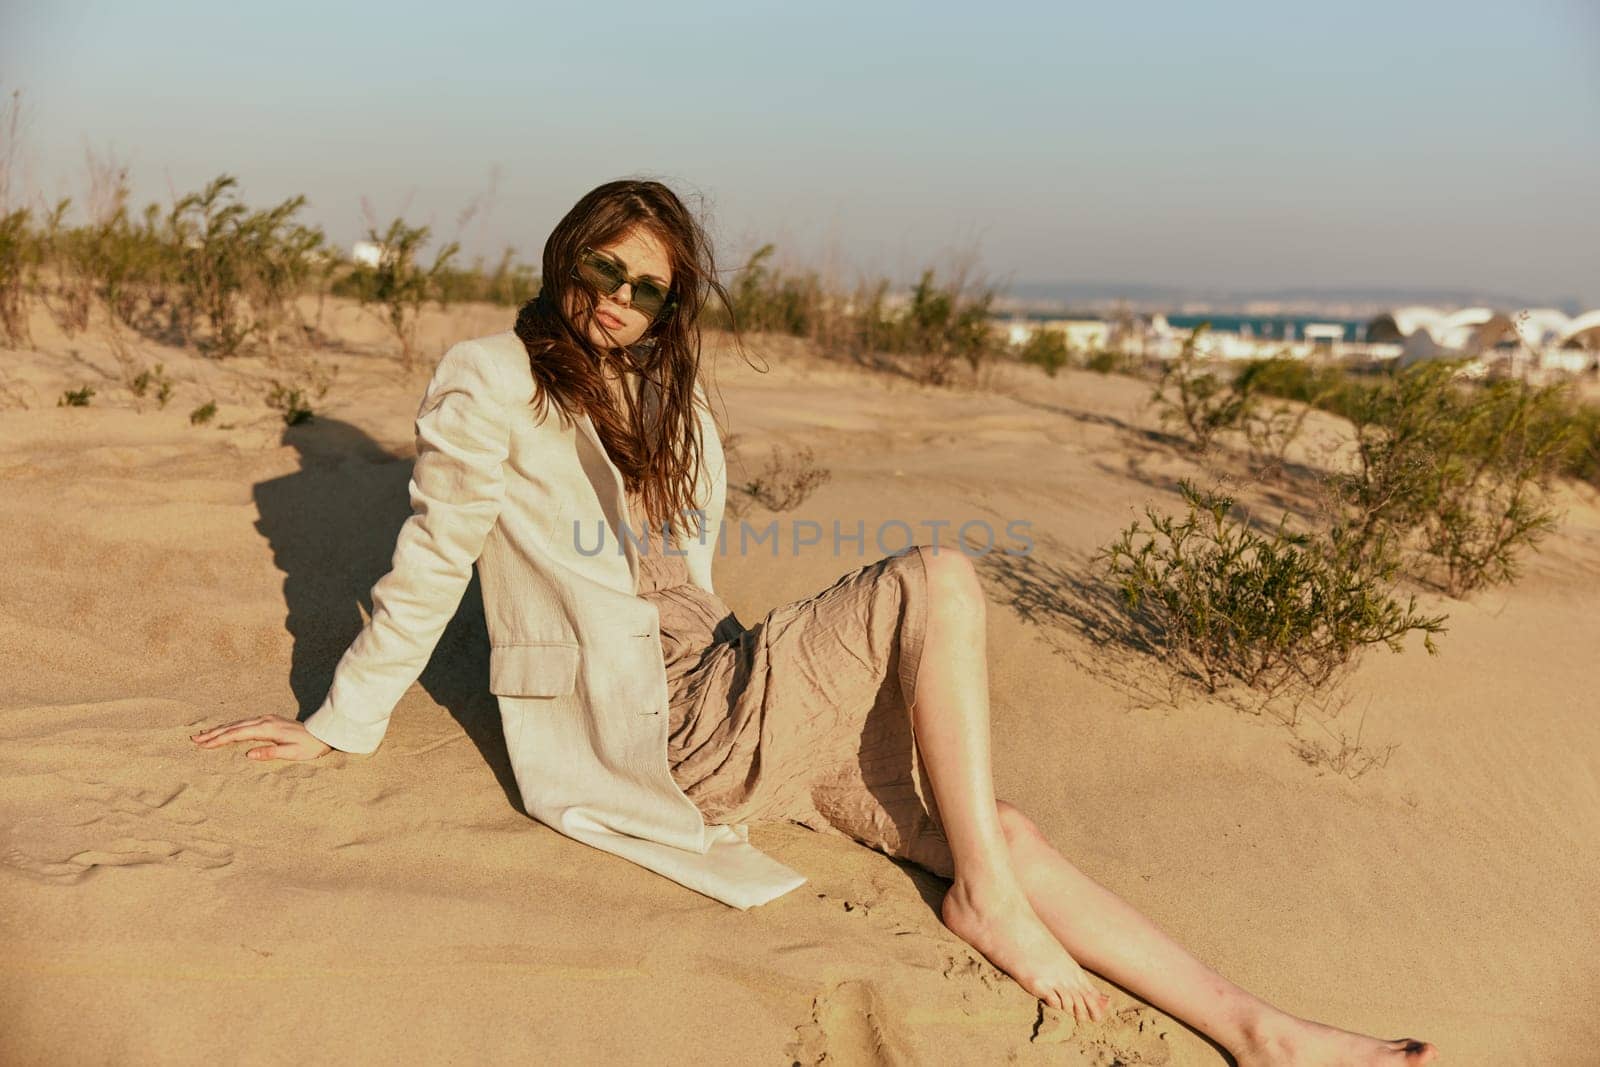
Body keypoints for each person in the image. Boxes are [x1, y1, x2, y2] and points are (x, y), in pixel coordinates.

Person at [191, 179, 1438, 1064]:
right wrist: (340, 725)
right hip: (666, 727)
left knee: (991, 824)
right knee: (938, 576)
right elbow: (431, 561)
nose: (620, 299)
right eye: (602, 270)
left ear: (671, 307)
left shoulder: (656, 395)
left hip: (731, 688)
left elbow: (687, 573)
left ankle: (1259, 1030)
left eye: (648, 288)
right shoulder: (488, 377)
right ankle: (989, 909)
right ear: (562, 258)